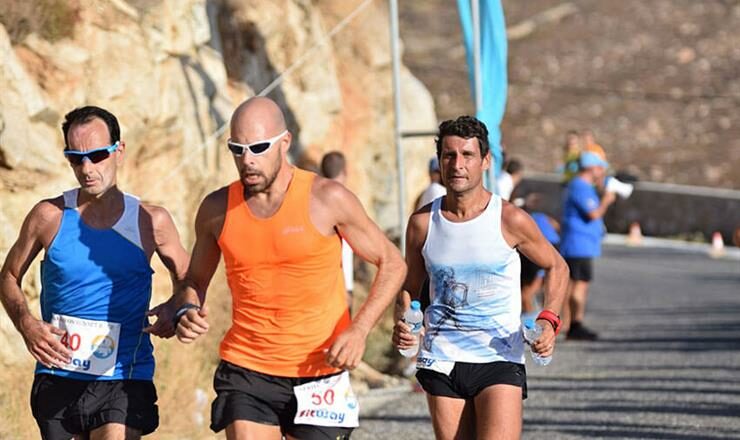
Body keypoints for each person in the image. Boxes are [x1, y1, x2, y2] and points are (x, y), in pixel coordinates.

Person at [148, 97, 406, 440]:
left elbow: (391, 262)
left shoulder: (326, 198)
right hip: (247, 368)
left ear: (284, 142)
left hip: (320, 371)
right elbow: (194, 280)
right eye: (237, 149)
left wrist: (359, 331)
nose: (247, 160)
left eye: (257, 147)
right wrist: (187, 306)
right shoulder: (216, 209)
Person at [0, 106, 190, 439]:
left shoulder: (151, 221)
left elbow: (190, 280)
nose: (87, 169)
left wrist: (177, 308)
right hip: (58, 373)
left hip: (124, 376)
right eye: (76, 159)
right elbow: (8, 277)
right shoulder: (49, 216)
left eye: (97, 155)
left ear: (119, 151)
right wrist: (26, 325)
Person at [392, 116, 569, 440]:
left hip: (498, 356)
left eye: (467, 155)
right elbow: (409, 286)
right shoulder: (422, 222)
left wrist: (548, 320)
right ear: (440, 161)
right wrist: (404, 325)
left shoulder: (508, 219)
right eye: (449, 155)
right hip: (441, 357)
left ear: (485, 161)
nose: (457, 164)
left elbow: (558, 266)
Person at [559, 151, 616, 340]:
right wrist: (607, 200)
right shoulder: (581, 187)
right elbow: (593, 213)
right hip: (579, 245)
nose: (602, 172)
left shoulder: (579, 186)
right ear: (592, 168)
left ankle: (568, 324)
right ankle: (575, 324)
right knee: (579, 286)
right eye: (600, 168)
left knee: (571, 285)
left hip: (578, 244)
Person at [320, 151, 355, 311]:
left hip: (319, 286)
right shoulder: (346, 201)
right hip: (341, 285)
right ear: (345, 172)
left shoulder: (313, 200)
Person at [519, 193, 561, 319]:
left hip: (537, 250)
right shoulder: (544, 218)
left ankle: (532, 320)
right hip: (552, 248)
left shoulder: (524, 217)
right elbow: (556, 226)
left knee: (527, 291)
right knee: (535, 290)